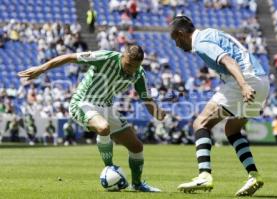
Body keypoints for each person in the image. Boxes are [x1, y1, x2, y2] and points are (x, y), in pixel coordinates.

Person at [18, 44, 166, 192]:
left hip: (106, 107)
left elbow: (146, 99)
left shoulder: (139, 73)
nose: (130, 69)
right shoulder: (105, 57)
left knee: (137, 147)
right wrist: (41, 69)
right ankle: (110, 167)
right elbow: (70, 57)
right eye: (128, 64)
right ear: (123, 56)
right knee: (103, 127)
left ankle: (137, 184)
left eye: (135, 66)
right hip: (82, 103)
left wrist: (158, 113)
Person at [169, 16, 269, 196]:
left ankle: (204, 175)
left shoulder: (201, 43)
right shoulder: (211, 33)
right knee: (232, 129)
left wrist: (243, 85)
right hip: (262, 81)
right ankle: (254, 175)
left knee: (200, 123)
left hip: (245, 81)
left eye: (174, 39)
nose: (176, 44)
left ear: (181, 34)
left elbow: (228, 61)